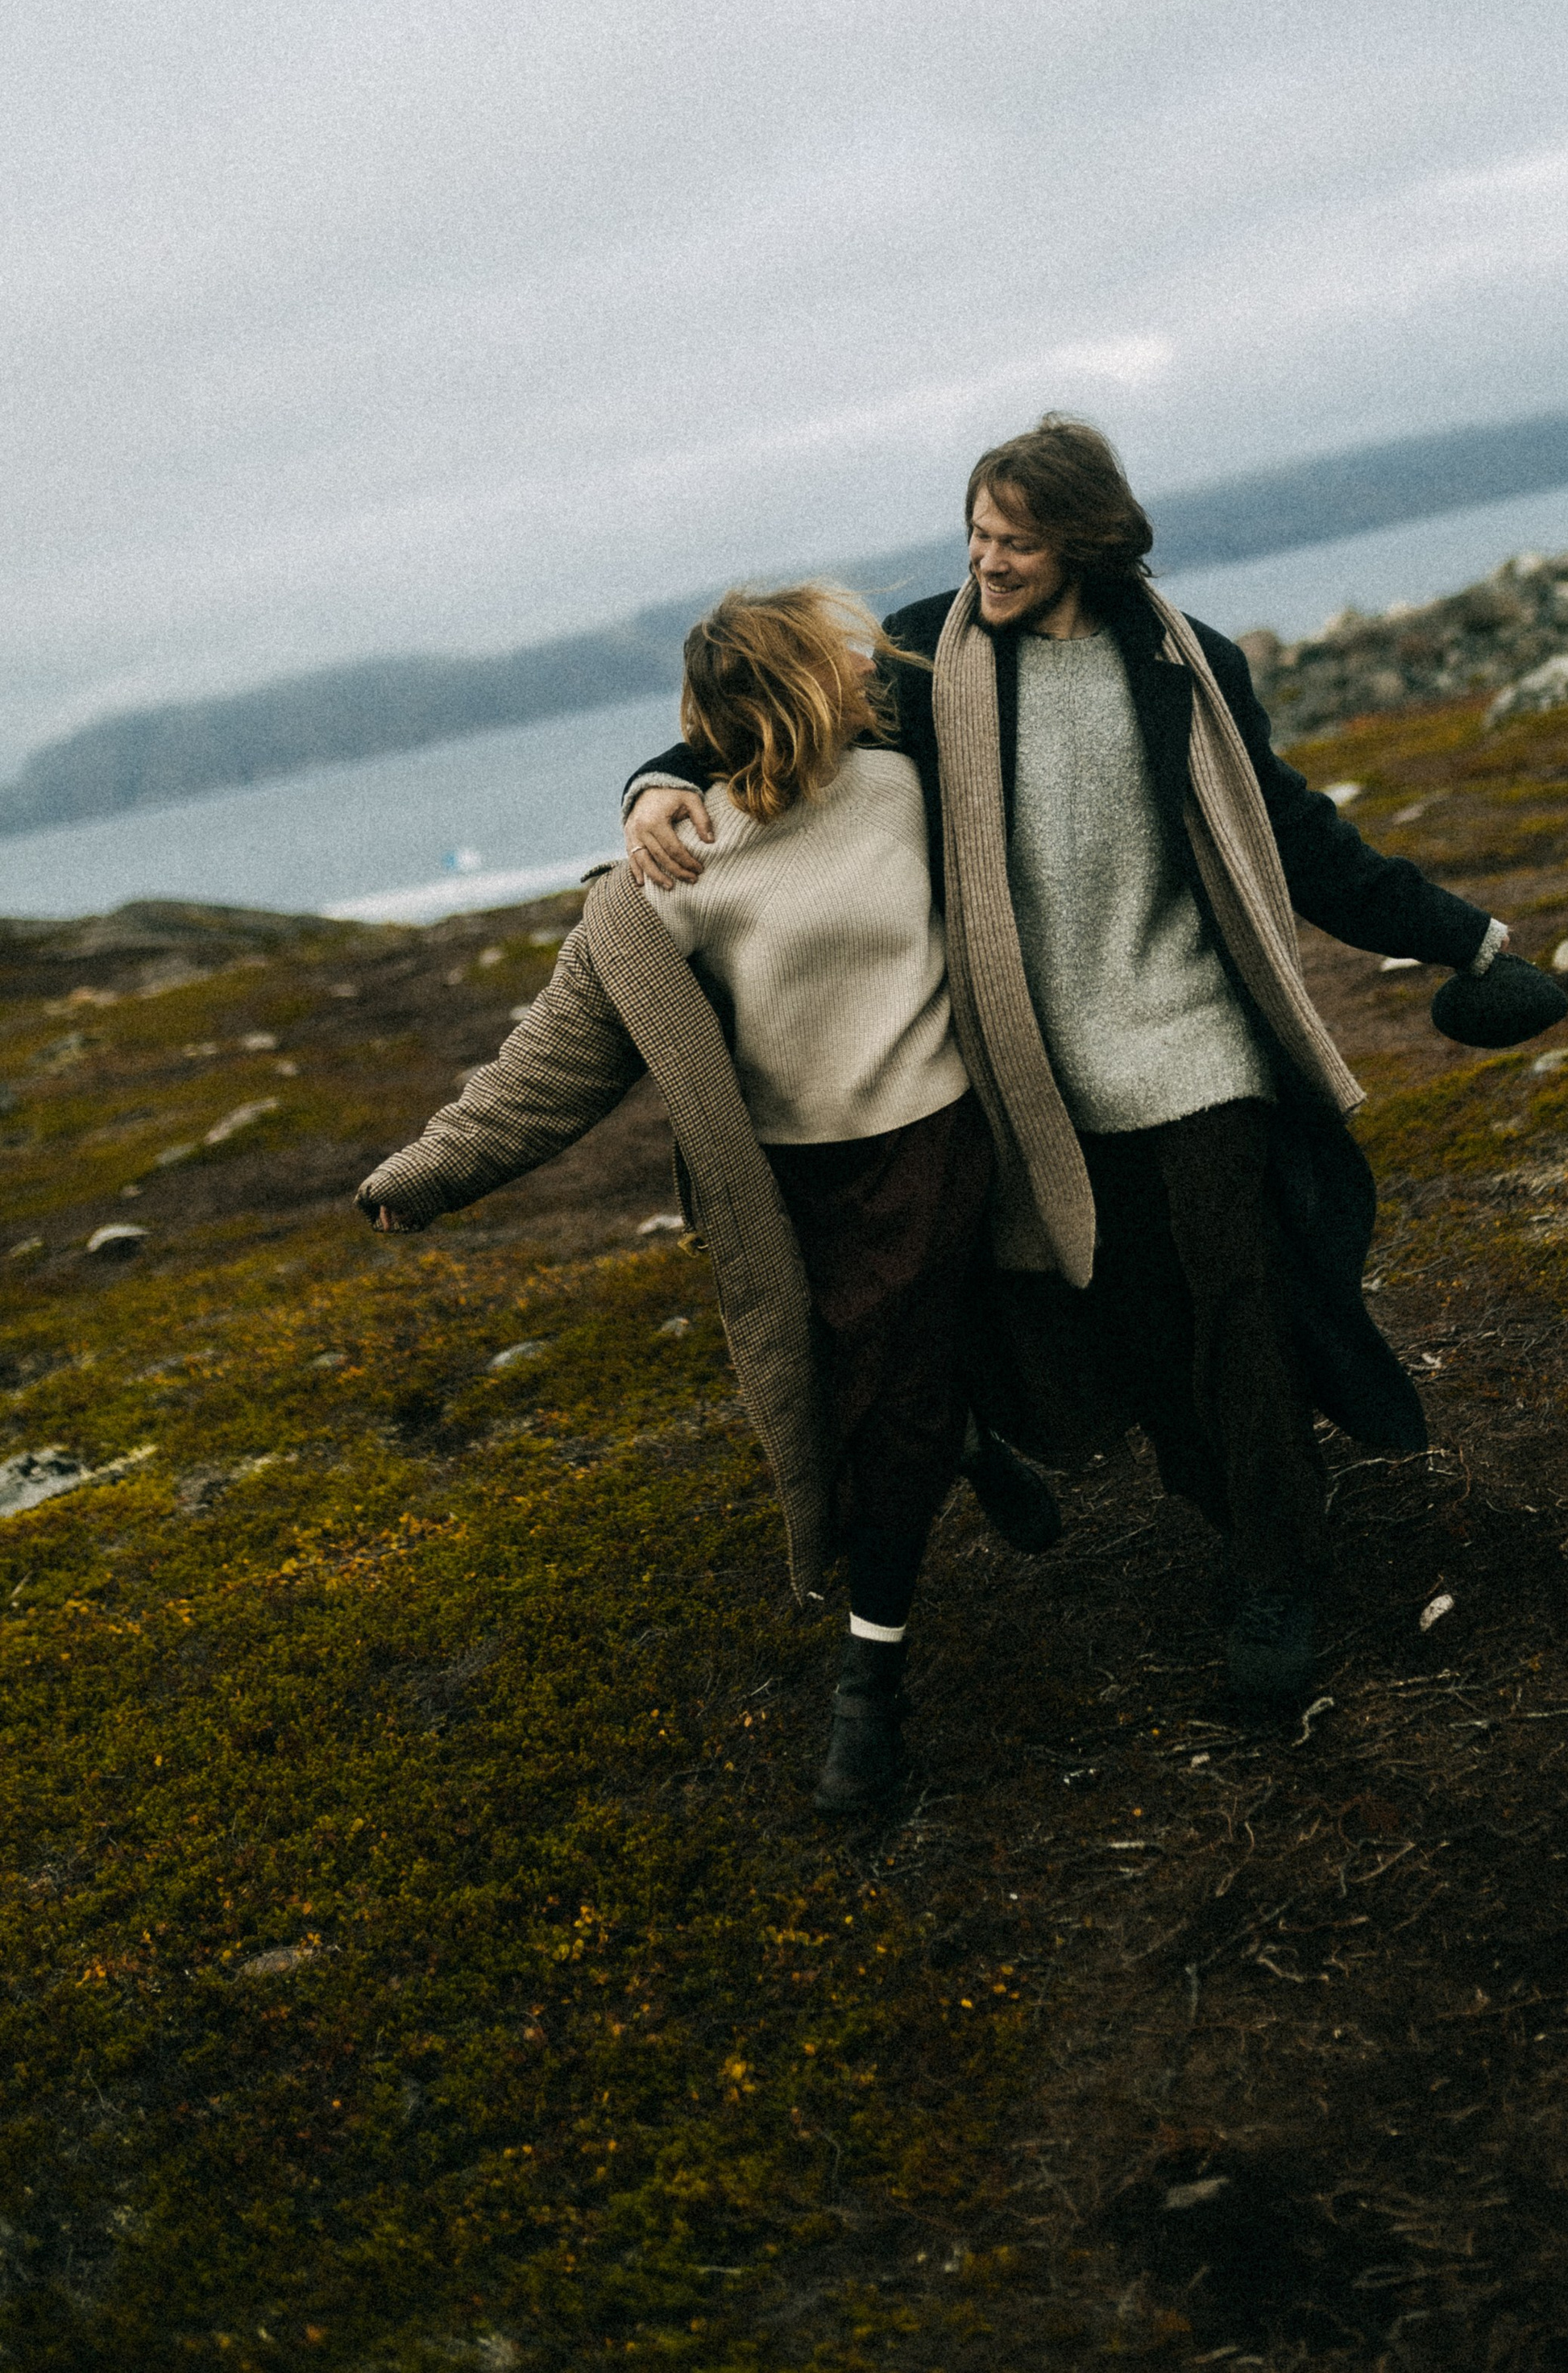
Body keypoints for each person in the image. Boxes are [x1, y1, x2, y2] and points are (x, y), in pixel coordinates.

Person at [624, 418, 1563, 1707]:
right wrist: (655, 781)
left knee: (1243, 1301)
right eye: (976, 531)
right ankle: (1242, 1509)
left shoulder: (1190, 667)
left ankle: (1280, 1576)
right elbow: (783, 723)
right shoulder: (923, 660)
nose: (987, 560)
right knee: (1138, 1323)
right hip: (1040, 1070)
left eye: (1017, 539)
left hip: (1194, 1040)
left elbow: (1297, 837)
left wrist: (1465, 937)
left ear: (1088, 541)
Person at [357, 583, 1056, 1814]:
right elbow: (557, 1055)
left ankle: (869, 1686)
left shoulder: (906, 780)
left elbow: (966, 633)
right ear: (787, 698)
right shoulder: (675, 868)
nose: (859, 672)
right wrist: (427, 1174)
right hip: (800, 1187)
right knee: (864, 1395)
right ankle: (965, 1440)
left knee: (890, 1416)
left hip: (942, 1147)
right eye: (830, 665)